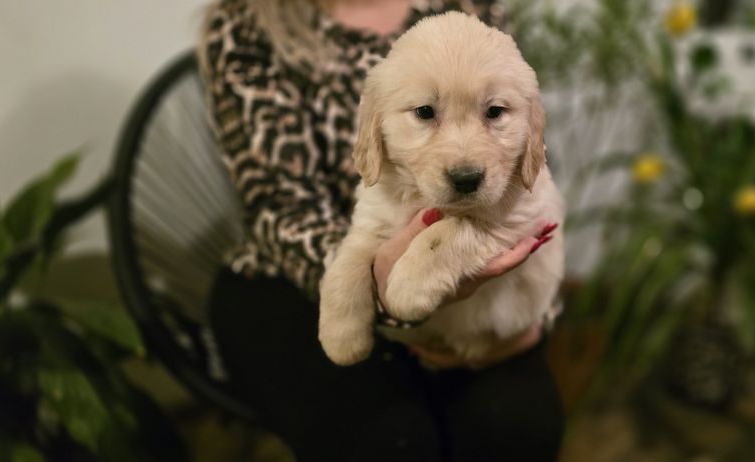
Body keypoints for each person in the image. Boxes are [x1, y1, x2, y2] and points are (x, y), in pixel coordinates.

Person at [198, 0, 563, 460]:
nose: (464, 156)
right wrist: (377, 288)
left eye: (489, 115)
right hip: (293, 273)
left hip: (482, 275)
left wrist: (533, 324)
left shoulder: (470, 5)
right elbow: (280, 207)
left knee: (515, 429)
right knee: (389, 440)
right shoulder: (246, 23)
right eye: (426, 114)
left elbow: (531, 159)